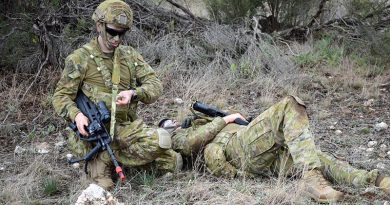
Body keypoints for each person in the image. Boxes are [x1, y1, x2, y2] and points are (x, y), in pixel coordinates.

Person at [159, 96, 390, 202]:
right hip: (236, 152)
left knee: (316, 158)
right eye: (166, 124)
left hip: (256, 151)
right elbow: (191, 144)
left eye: (170, 121)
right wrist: (226, 120)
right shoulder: (181, 136)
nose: (172, 122)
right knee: (289, 105)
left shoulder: (208, 118)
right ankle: (311, 180)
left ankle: (376, 180)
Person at [52, 0, 181, 190]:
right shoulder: (79, 59)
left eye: (122, 33)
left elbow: (155, 85)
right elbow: (60, 96)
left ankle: (106, 159)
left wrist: (134, 93)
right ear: (99, 26)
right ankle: (102, 160)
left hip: (125, 128)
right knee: (109, 185)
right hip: (94, 135)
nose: (117, 39)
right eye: (112, 31)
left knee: (172, 160)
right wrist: (77, 115)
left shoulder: (129, 55)